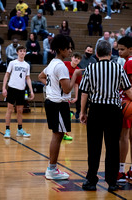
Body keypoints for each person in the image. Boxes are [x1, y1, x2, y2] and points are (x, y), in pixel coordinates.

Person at [79, 40, 132, 192]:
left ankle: (91, 181)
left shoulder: (90, 68)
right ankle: (112, 182)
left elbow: (84, 93)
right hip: (114, 112)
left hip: (96, 110)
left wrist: (83, 112)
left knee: (94, 147)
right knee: (113, 147)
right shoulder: (118, 68)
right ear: (110, 53)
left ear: (96, 54)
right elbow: (128, 91)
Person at [38, 34, 83, 180]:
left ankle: (52, 168)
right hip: (58, 104)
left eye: (71, 48)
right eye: (68, 48)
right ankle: (52, 169)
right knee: (57, 136)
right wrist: (75, 75)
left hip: (52, 102)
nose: (70, 51)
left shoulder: (52, 63)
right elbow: (67, 89)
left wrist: (51, 87)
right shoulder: (62, 66)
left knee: (57, 135)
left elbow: (41, 76)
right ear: (60, 49)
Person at [2, 45, 34, 138]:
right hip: (12, 89)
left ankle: (20, 130)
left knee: (20, 111)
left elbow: (28, 78)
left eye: (24, 51)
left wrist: (31, 91)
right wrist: (4, 88)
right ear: (17, 52)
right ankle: (7, 130)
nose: (22, 53)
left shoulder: (27, 65)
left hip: (21, 90)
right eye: (21, 51)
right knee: (9, 110)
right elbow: (6, 75)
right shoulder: (12, 63)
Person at [117, 36, 132, 183]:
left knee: (123, 137)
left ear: (130, 49)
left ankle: (120, 171)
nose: (119, 52)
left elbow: (128, 88)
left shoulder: (129, 63)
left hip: (127, 103)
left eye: (122, 49)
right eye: (118, 49)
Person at [63, 52, 82, 140]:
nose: (76, 59)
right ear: (71, 58)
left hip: (67, 94)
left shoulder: (78, 70)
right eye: (75, 57)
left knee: (65, 113)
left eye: (78, 58)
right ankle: (60, 132)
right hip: (59, 91)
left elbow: (76, 85)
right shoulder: (64, 64)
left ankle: (64, 133)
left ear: (79, 61)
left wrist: (76, 97)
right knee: (62, 113)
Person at [75, 45, 97, 119]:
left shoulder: (94, 60)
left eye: (91, 51)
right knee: (78, 98)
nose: (89, 52)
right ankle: (78, 111)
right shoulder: (80, 59)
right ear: (85, 50)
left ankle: (85, 112)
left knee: (87, 99)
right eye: (88, 51)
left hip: (89, 83)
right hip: (79, 82)